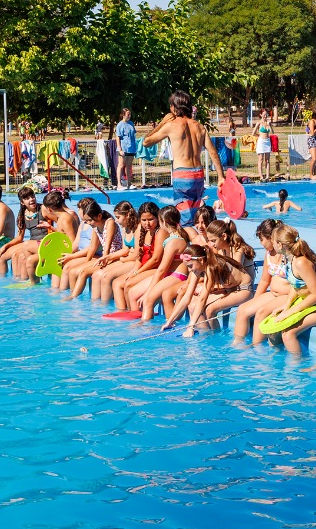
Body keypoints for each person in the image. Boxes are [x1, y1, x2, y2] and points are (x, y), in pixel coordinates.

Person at [143, 91, 225, 229]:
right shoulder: (200, 127)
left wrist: (162, 123)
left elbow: (146, 142)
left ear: (174, 107)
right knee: (197, 218)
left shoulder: (171, 125)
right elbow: (213, 152)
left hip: (182, 176)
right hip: (198, 175)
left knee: (184, 221)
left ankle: (189, 241)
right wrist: (221, 177)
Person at [264, 225, 316, 353]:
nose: (272, 243)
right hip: (313, 304)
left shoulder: (301, 262)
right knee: (274, 331)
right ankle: (276, 360)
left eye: (273, 241)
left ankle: (298, 365)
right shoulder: (289, 259)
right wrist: (286, 306)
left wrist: (290, 312)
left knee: (288, 334)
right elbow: (296, 285)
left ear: (280, 245)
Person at [234, 219, 293, 344]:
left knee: (261, 312)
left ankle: (257, 346)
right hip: (273, 294)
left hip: (287, 295)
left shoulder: (287, 254)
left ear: (271, 238)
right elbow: (264, 281)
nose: (261, 243)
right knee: (243, 309)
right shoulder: (268, 254)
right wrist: (254, 301)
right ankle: (238, 344)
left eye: (261, 239)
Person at [115, 107, 138, 189]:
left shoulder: (131, 123)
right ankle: (119, 184)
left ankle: (129, 184)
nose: (129, 116)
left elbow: (133, 135)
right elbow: (118, 137)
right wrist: (120, 149)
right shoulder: (120, 125)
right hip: (123, 148)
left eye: (130, 114)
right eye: (128, 114)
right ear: (123, 115)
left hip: (131, 148)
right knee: (121, 165)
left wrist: (135, 148)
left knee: (129, 166)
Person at [254, 108, 274, 181]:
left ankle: (267, 176)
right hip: (261, 142)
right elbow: (253, 133)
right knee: (261, 159)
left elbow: (272, 132)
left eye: (266, 114)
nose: (265, 116)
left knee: (267, 160)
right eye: (264, 114)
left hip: (267, 141)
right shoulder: (259, 123)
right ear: (261, 115)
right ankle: (261, 176)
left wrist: (270, 125)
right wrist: (259, 135)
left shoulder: (268, 123)